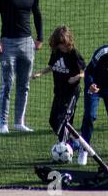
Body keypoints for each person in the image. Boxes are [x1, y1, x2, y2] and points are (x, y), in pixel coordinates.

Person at [0, 0, 42, 134]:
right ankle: (3, 124)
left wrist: (39, 38)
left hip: (27, 43)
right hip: (7, 44)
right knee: (7, 84)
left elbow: (38, 16)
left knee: (24, 84)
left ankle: (19, 122)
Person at [33, 25, 86, 164]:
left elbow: (85, 71)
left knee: (64, 121)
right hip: (59, 92)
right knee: (53, 120)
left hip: (71, 93)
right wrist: (40, 73)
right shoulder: (56, 52)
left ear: (68, 41)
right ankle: (76, 142)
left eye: (63, 44)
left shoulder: (74, 54)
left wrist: (76, 77)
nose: (61, 47)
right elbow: (52, 66)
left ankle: (65, 148)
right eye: (58, 44)